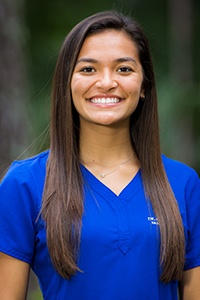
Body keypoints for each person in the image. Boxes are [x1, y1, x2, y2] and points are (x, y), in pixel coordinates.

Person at [0, 10, 200, 300]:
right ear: (67, 83)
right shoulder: (25, 184)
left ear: (144, 85)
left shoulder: (183, 183)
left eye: (124, 69)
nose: (106, 82)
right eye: (88, 69)